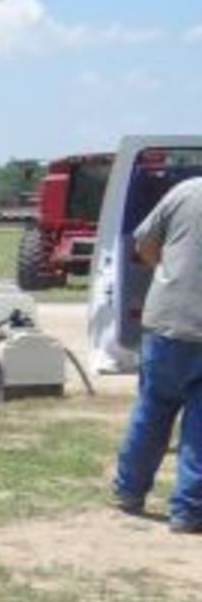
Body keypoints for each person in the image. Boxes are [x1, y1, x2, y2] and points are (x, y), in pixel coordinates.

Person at [112, 173, 202, 533]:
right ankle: (188, 511)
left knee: (152, 408)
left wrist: (168, 272)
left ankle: (129, 491)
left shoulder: (186, 191)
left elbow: (143, 242)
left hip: (165, 321)